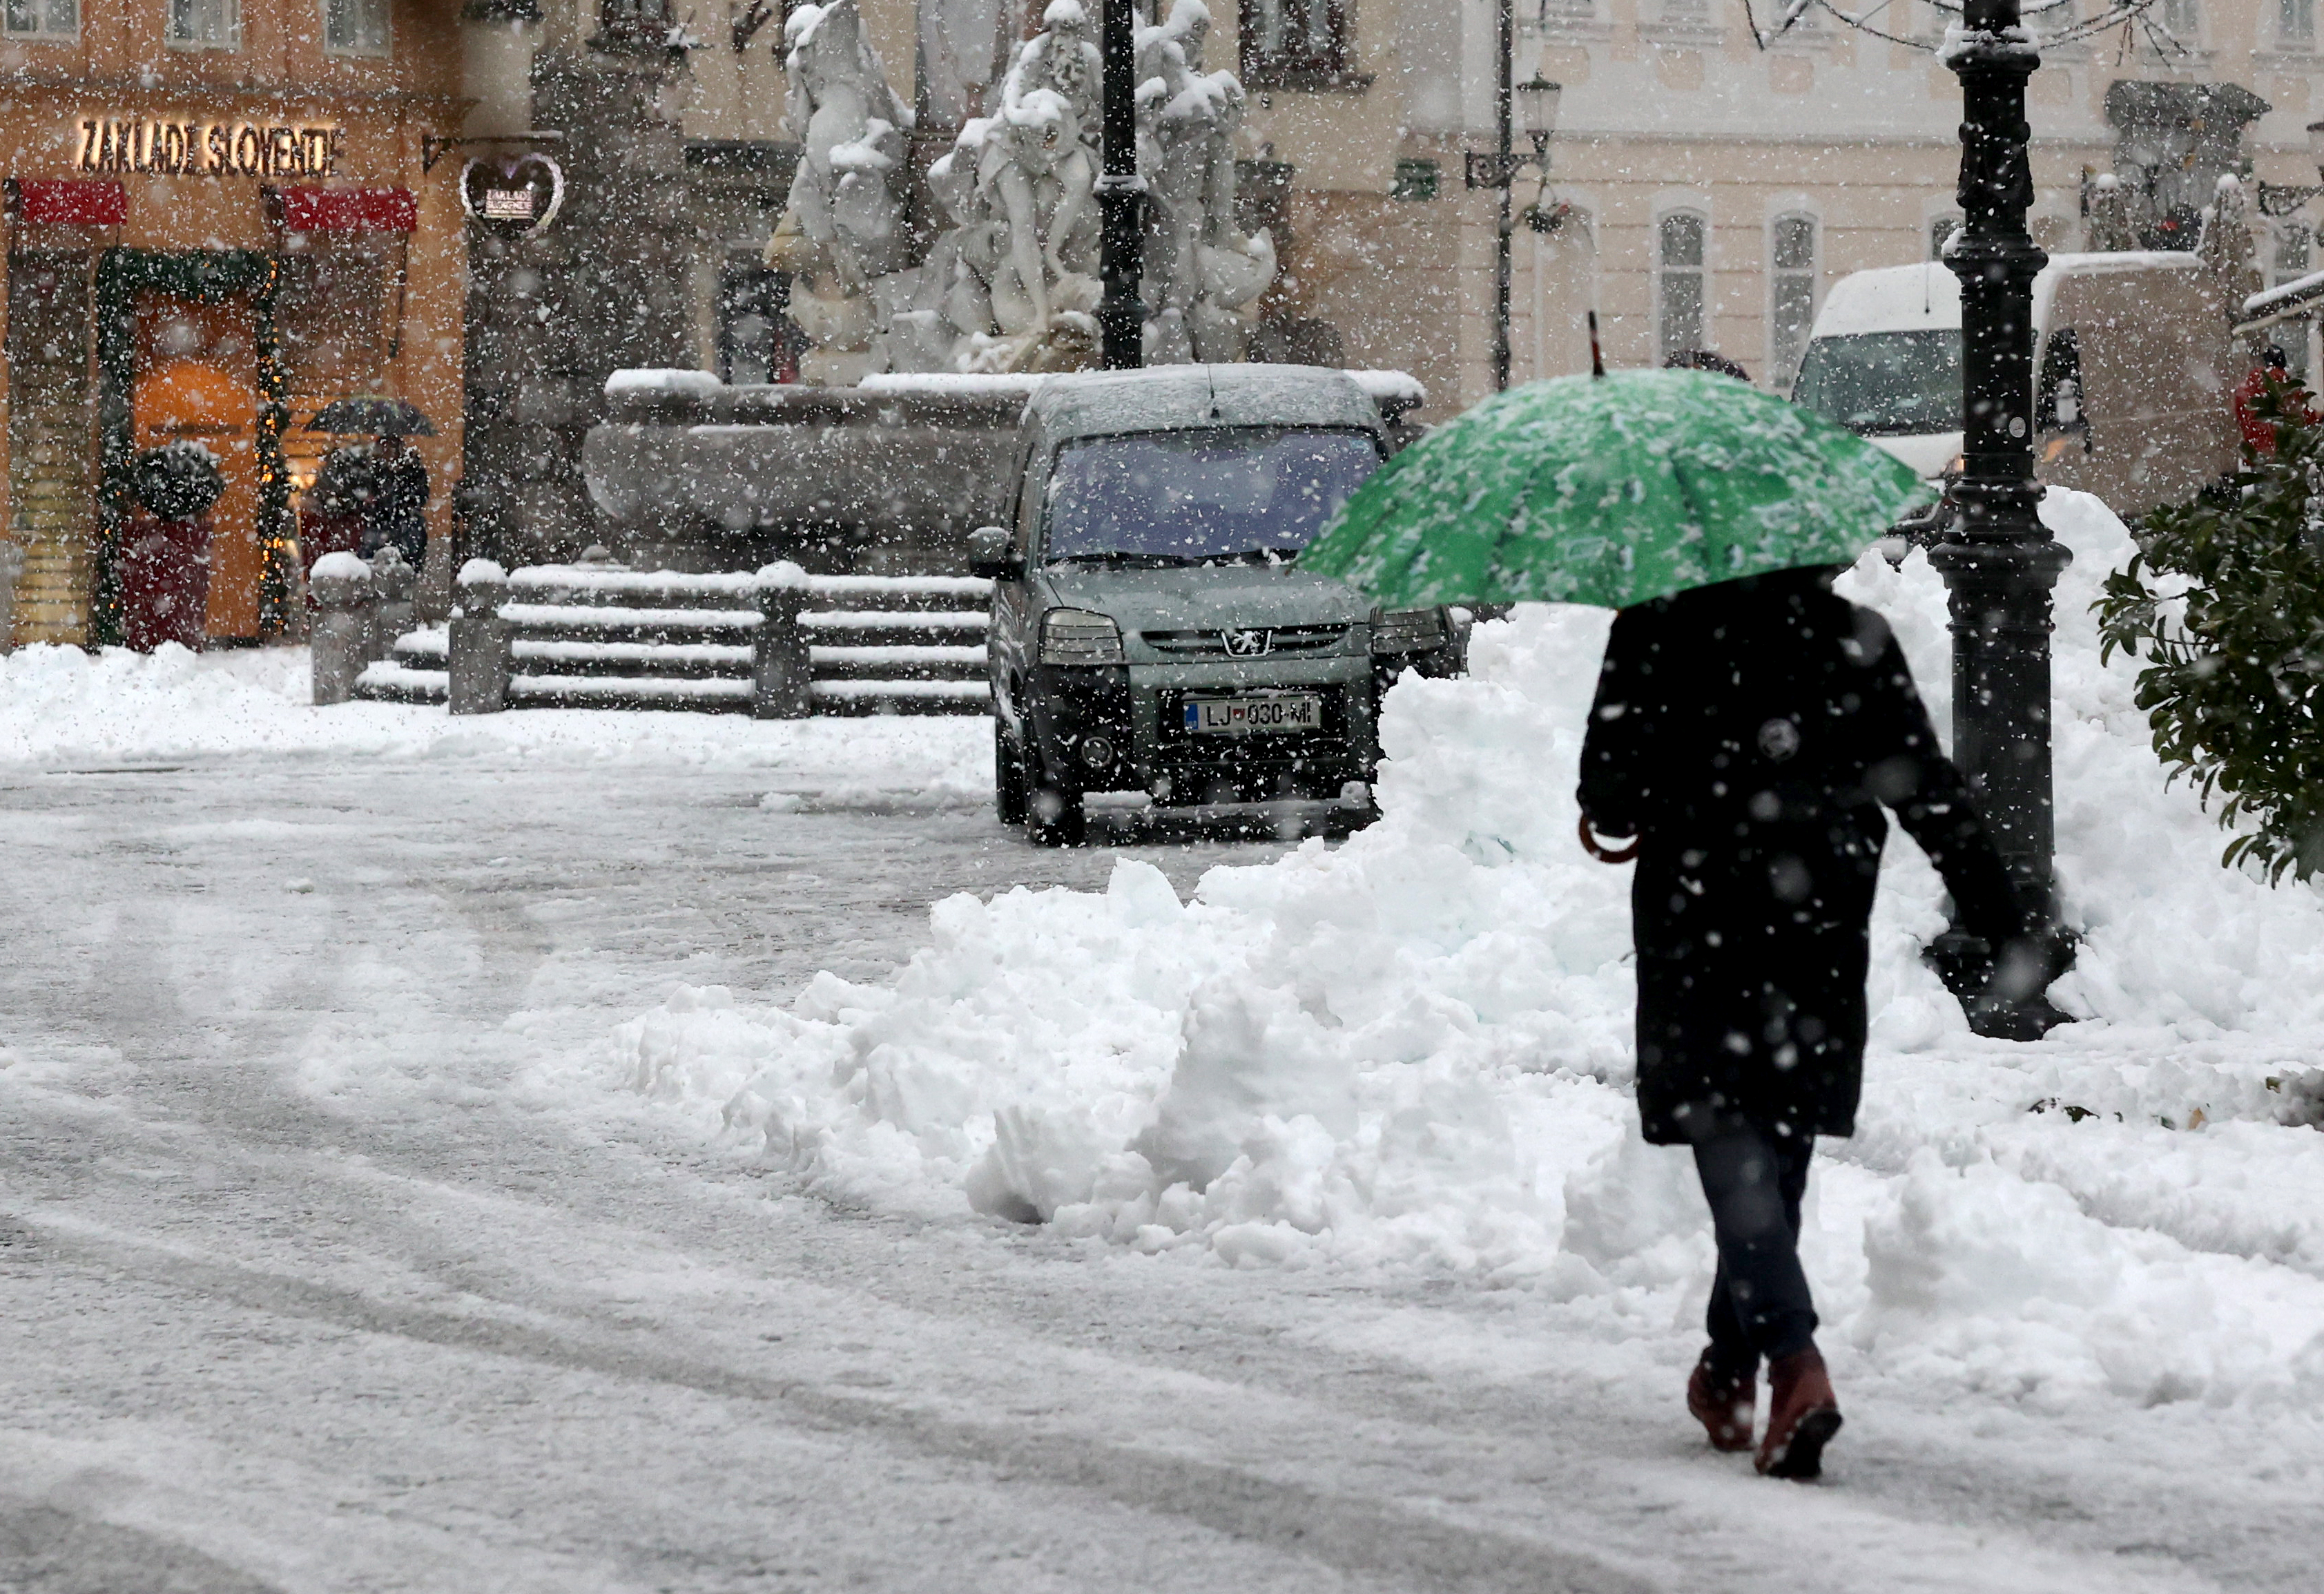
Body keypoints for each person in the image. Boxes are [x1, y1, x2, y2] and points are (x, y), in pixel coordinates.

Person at [1576, 567, 2048, 1480]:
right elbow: (1922, 785)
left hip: (1697, 914)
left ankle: (1792, 1361)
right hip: (1817, 915)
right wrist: (2000, 909)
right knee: (1777, 1130)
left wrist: (1661, 779)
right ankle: (1726, 1365)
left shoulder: (1654, 631)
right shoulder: (1852, 638)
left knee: (1728, 1129)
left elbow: (1610, 791)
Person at [358, 433, 429, 569]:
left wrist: (405, 502)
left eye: (390, 448)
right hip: (381, 522)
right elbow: (370, 495)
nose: (386, 453)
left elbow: (421, 496)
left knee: (406, 558)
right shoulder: (377, 471)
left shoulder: (412, 471)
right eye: (383, 449)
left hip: (404, 523)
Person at [2231, 346, 2315, 457]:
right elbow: (2303, 416)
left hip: (2255, 453)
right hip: (2282, 454)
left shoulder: (2246, 388)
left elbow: (2241, 416)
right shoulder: (2287, 387)